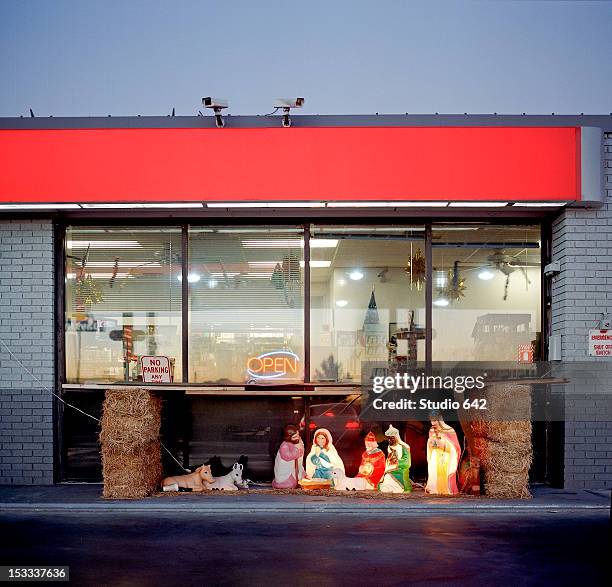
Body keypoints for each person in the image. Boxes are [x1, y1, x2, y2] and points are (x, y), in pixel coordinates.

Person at [425, 411, 461, 495]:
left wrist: (443, 445)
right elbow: (430, 443)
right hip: (435, 456)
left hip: (445, 457)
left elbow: (456, 448)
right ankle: (434, 489)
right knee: (434, 473)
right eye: (431, 420)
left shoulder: (449, 430)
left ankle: (445, 489)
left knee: (443, 474)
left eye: (434, 420)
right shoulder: (431, 430)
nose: (432, 423)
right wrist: (431, 442)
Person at [378, 425, 412, 493]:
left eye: (392, 438)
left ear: (396, 437)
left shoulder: (404, 447)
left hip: (400, 468)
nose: (390, 440)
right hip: (390, 468)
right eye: (389, 438)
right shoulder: (389, 447)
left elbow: (407, 462)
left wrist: (396, 463)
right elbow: (389, 459)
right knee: (385, 478)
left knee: (389, 478)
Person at [272, 424, 305, 489]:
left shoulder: (298, 442)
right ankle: (282, 483)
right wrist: (297, 449)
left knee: (298, 480)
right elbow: (288, 457)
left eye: (298, 435)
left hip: (295, 469)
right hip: (286, 471)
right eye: (294, 437)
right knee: (290, 484)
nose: (297, 438)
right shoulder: (284, 445)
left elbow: (301, 454)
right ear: (288, 437)